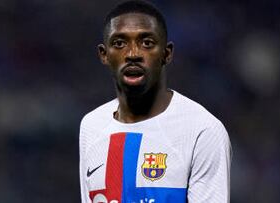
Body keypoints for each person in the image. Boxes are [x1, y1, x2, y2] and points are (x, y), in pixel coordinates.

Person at [79, 1, 231, 202]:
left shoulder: (202, 131)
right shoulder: (91, 126)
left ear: (166, 54)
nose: (133, 54)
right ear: (104, 55)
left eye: (147, 43)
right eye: (119, 43)